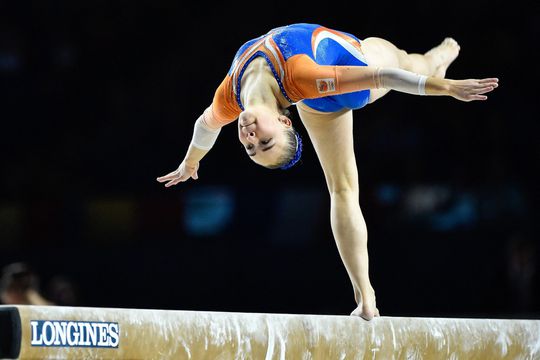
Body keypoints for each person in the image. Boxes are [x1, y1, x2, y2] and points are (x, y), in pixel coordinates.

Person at [156, 23, 498, 320]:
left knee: (411, 62)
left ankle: (434, 61)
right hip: (351, 77)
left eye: (251, 147)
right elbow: (385, 77)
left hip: (322, 88)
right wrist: (448, 88)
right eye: (264, 142)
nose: (251, 138)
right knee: (345, 187)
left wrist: (190, 162)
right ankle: (366, 297)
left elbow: (205, 126)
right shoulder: (302, 77)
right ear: (282, 121)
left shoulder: (229, 99)